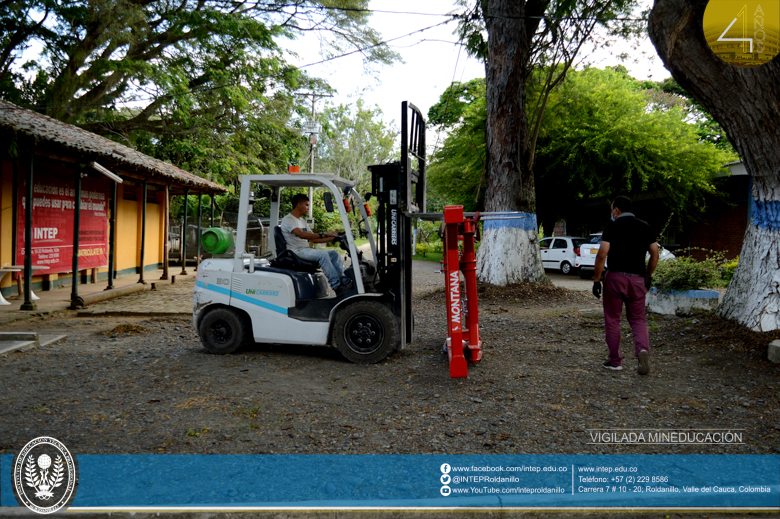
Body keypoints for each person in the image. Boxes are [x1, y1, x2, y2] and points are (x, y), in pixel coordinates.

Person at [592, 195, 659, 375]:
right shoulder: (645, 227)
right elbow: (654, 254)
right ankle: (642, 350)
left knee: (613, 319)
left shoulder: (611, 227)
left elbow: (602, 254)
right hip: (638, 279)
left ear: (616, 210)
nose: (611, 214)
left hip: (615, 279)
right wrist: (648, 275)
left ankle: (615, 361)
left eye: (611, 210)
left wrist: (596, 280)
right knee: (638, 319)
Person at [280, 194, 354, 295]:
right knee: (322, 255)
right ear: (298, 205)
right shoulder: (288, 220)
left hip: (305, 249)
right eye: (306, 205)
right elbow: (301, 235)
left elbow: (313, 238)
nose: (308, 208)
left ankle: (344, 280)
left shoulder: (302, 221)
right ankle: (336, 285)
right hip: (296, 251)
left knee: (334, 253)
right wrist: (323, 234)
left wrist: (333, 237)